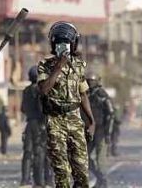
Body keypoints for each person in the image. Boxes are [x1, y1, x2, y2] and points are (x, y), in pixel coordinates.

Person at [37, 21, 95, 188]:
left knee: (82, 173)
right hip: (55, 122)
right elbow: (43, 90)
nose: (63, 46)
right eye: (59, 43)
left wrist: (92, 121)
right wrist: (58, 67)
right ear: (54, 45)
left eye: (67, 43)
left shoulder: (79, 66)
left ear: (73, 44)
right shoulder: (45, 66)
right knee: (62, 173)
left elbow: (83, 93)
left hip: (75, 120)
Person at [20, 65, 52, 187]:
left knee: (28, 152)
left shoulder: (26, 90)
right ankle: (42, 181)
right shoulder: (41, 90)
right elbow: (42, 108)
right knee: (41, 152)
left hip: (30, 124)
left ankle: (25, 179)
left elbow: (23, 108)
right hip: (40, 123)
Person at [85, 71, 114, 188]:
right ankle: (99, 178)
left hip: (101, 130)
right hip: (89, 130)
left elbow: (111, 113)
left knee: (100, 159)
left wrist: (108, 133)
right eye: (88, 81)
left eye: (92, 80)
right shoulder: (85, 94)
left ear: (97, 81)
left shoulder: (102, 94)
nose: (90, 83)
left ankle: (103, 181)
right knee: (84, 157)